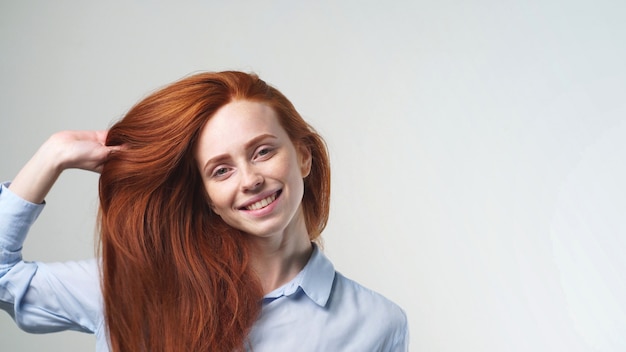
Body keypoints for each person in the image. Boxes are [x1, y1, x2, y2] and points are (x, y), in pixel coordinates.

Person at [0, 71, 408, 351]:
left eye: (263, 151)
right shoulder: (134, 286)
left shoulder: (377, 323)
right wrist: (51, 156)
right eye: (221, 170)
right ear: (208, 197)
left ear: (302, 156)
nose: (249, 180)